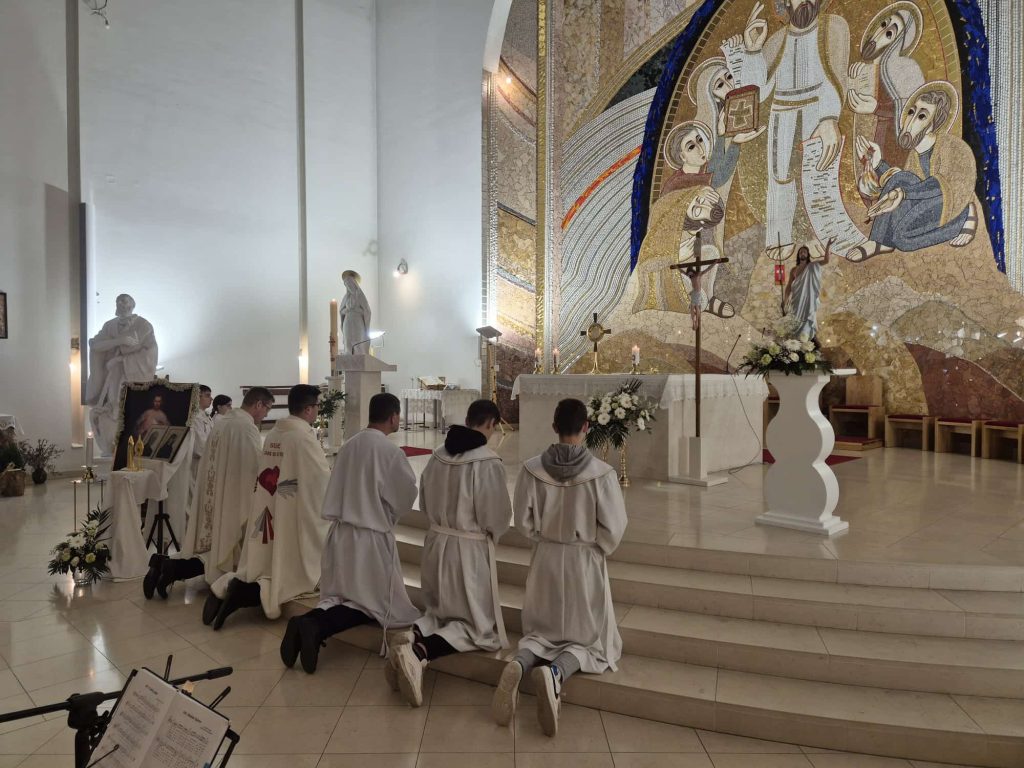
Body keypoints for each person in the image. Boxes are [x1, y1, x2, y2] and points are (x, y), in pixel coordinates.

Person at [492, 398, 627, 737]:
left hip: (547, 557)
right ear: (586, 428)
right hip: (583, 560)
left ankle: (519, 663)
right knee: (590, 640)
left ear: (554, 427)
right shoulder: (602, 474)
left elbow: (523, 521)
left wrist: (543, 537)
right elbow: (614, 527)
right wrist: (597, 546)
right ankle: (555, 675)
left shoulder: (531, 469)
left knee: (541, 632)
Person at [280, 393, 418, 674]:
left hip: (340, 533)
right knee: (374, 604)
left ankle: (308, 621)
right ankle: (315, 626)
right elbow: (405, 495)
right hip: (369, 539)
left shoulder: (349, 445)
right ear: (393, 416)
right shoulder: (389, 452)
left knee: (340, 596)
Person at [388, 399, 512, 707]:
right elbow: (495, 514)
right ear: (491, 424)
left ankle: (413, 634)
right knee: (476, 628)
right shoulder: (488, 462)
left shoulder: (438, 455)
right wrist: (492, 534)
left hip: (436, 542)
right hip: (467, 550)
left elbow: (424, 501)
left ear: (468, 419)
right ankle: (419, 653)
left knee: (438, 613)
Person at [723, 0, 851, 249]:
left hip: (818, 110)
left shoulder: (833, 27)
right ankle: (779, 239)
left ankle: (823, 236)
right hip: (782, 114)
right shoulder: (776, 40)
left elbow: (838, 73)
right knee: (780, 177)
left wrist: (829, 117)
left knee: (817, 175)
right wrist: (752, 51)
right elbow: (758, 92)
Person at [206, 384, 330, 630]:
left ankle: (233, 587)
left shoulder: (274, 433)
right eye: (317, 406)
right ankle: (243, 594)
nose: (317, 411)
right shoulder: (303, 438)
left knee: (270, 558)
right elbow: (320, 481)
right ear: (308, 409)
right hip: (291, 510)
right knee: (294, 571)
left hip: (270, 504)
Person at [145, 387, 273, 601]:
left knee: (213, 547)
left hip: (214, 494)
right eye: (267, 409)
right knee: (224, 550)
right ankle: (171, 568)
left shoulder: (223, 422)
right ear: (258, 404)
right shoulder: (245, 427)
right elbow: (254, 466)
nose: (266, 414)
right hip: (232, 496)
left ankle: (164, 565)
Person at [847, 82, 978, 262]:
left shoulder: (953, 147)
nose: (911, 120)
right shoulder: (915, 154)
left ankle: (878, 241)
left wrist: (903, 192)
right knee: (901, 240)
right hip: (930, 206)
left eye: (922, 116)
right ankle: (886, 242)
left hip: (951, 205)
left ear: (934, 123)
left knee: (904, 180)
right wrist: (878, 164)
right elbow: (904, 183)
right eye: (911, 112)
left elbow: (940, 185)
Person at [85, 293, 159, 454]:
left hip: (132, 373)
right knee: (112, 406)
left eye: (125, 302)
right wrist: (119, 341)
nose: (122, 305)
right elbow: (96, 345)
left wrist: (121, 360)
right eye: (119, 302)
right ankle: (112, 447)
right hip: (112, 375)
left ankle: (127, 445)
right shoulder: (109, 326)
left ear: (132, 305)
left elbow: (150, 353)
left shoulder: (143, 325)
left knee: (125, 406)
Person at [785, 238, 833, 339]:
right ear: (798, 255)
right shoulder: (794, 269)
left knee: (807, 320)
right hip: (796, 300)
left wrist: (828, 245)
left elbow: (826, 260)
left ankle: (804, 340)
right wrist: (785, 299)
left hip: (808, 300)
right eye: (800, 252)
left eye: (804, 252)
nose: (802, 253)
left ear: (807, 255)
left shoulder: (812, 266)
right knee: (794, 320)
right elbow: (789, 285)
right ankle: (793, 342)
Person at [340, 270, 371, 355]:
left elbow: (367, 310)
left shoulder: (359, 295)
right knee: (348, 338)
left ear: (354, 283)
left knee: (358, 338)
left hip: (357, 320)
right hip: (347, 320)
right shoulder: (346, 297)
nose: (348, 286)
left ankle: (359, 354)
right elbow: (341, 311)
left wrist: (355, 310)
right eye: (346, 285)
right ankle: (348, 353)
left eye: (349, 283)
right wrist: (346, 311)